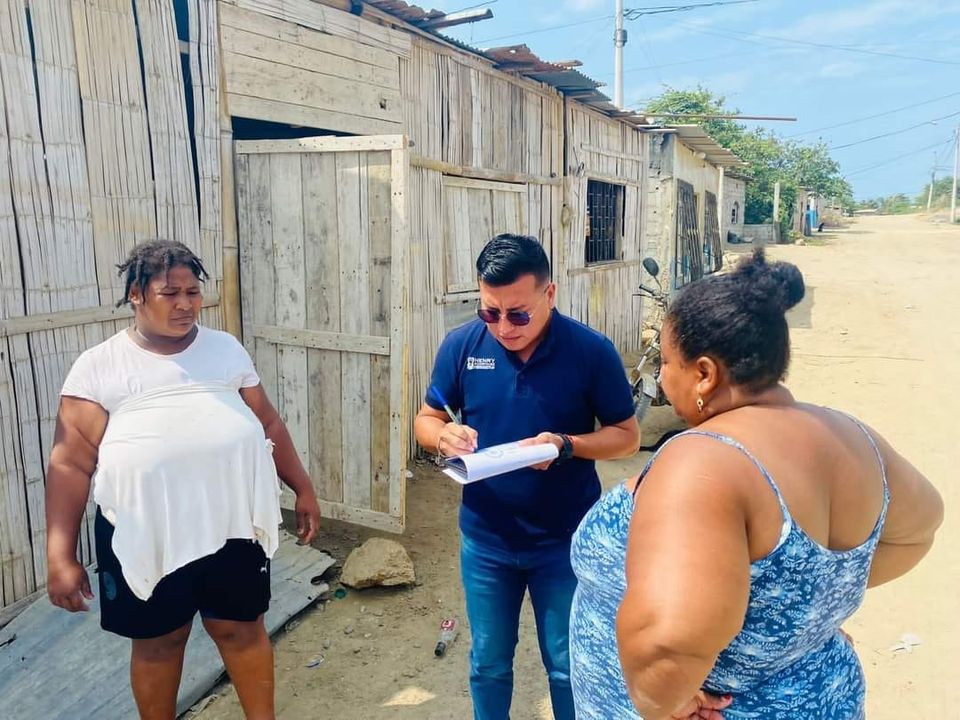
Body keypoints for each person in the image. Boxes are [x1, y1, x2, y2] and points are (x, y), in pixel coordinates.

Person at [569, 249, 944, 719]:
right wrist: (806, 621)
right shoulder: (853, 437)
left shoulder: (703, 461)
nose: (661, 376)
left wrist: (664, 699)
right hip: (822, 699)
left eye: (666, 361)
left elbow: (664, 648)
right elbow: (919, 529)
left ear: (704, 374)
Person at [45, 240, 321, 720]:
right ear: (136, 295)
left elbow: (268, 424)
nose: (185, 305)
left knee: (241, 629)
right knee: (160, 642)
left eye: (192, 292)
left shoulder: (224, 350)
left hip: (233, 526)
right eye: (169, 293)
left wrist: (304, 487)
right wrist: (59, 555)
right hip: (145, 532)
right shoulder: (100, 367)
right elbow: (70, 464)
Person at [414, 233, 641, 720]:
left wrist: (566, 445)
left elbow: (626, 436)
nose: (503, 327)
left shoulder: (590, 351)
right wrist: (443, 437)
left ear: (549, 294)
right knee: (488, 664)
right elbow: (426, 419)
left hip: (563, 542)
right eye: (489, 312)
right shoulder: (462, 346)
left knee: (566, 666)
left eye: (518, 314)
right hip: (486, 541)